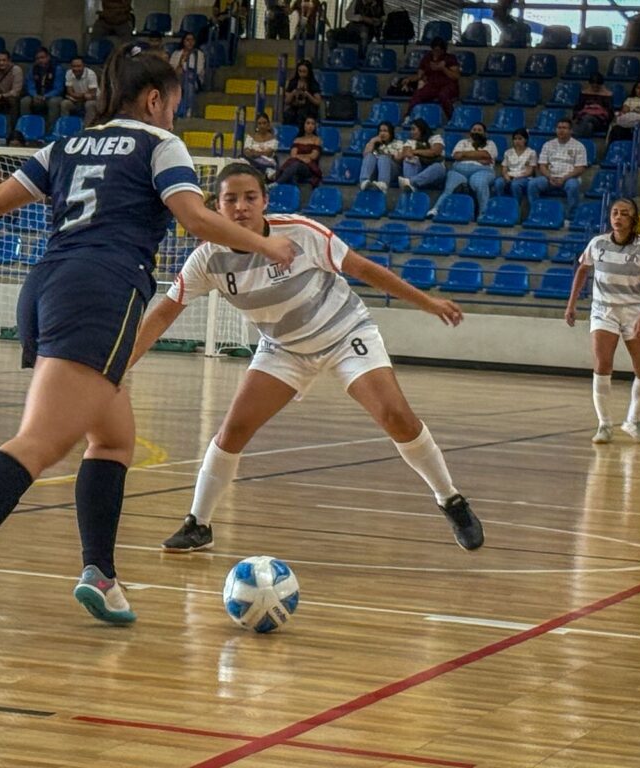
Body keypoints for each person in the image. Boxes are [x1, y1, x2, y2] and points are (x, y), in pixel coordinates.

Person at [0, 44, 296, 634]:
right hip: (102, 291)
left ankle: (101, 575)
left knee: (114, 439)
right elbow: (193, 218)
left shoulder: (64, 145)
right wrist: (266, 244)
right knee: (39, 441)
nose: (174, 114)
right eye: (173, 103)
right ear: (153, 99)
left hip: (48, 287)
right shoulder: (158, 144)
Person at [128, 162, 484, 554]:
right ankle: (198, 524)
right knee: (233, 431)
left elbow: (364, 269)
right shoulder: (207, 258)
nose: (242, 207)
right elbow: (164, 312)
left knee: (395, 416)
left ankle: (450, 498)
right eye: (231, 199)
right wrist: (121, 365)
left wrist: (427, 303)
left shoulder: (301, 232)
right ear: (217, 206)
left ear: (265, 201)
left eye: (250, 197)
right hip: (283, 348)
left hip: (345, 333)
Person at [565, 198, 640, 445]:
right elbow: (582, 270)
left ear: (633, 219)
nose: (618, 217)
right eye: (615, 213)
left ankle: (633, 420)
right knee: (603, 364)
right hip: (603, 311)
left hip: (634, 312)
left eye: (624, 214)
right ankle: (605, 424)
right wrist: (571, 304)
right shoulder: (598, 243)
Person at [430, 121, 496, 218]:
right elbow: (457, 156)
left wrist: (464, 154)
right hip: (459, 170)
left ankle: (483, 214)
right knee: (449, 188)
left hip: (481, 171)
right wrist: (477, 157)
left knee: (480, 184)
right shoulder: (462, 142)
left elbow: (485, 154)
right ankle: (435, 209)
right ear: (470, 132)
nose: (476, 132)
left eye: (479, 130)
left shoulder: (490, 143)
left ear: (485, 133)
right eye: (474, 130)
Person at [527, 119, 587, 217]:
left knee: (573, 186)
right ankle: (536, 212)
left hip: (569, 178)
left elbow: (580, 168)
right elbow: (542, 165)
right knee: (532, 184)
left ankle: (571, 216)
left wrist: (564, 178)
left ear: (571, 130)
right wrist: (549, 176)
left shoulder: (579, 146)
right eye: (559, 128)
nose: (561, 130)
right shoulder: (548, 145)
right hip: (550, 178)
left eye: (564, 128)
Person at [401, 38, 460, 121]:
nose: (436, 53)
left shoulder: (450, 58)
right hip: (432, 85)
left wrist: (443, 68)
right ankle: (408, 116)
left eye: (438, 50)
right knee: (418, 94)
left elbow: (455, 76)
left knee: (443, 95)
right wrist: (409, 79)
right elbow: (419, 75)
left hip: (448, 85)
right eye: (434, 50)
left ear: (443, 50)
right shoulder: (427, 58)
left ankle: (452, 119)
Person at [395, 118, 446, 192]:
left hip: (435, 175)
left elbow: (435, 152)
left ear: (421, 130)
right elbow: (407, 153)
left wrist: (415, 151)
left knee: (438, 167)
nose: (411, 132)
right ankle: (411, 187)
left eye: (413, 129)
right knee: (408, 160)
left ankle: (410, 182)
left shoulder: (435, 138)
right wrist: (422, 152)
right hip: (418, 170)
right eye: (411, 130)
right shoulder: (410, 142)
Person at [20, 47, 65, 127]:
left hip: (52, 96)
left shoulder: (57, 69)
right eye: (37, 58)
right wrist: (34, 95)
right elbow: (30, 85)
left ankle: (51, 129)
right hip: (37, 96)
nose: (40, 60)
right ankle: (26, 127)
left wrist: (45, 96)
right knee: (25, 101)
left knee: (53, 102)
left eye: (42, 57)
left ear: (48, 57)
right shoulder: (33, 69)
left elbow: (58, 88)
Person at [273, 116, 322, 187]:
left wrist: (299, 157)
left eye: (312, 124)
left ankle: (277, 184)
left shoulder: (317, 140)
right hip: (297, 165)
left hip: (310, 167)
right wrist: (303, 158)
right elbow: (293, 155)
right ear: (304, 125)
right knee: (293, 174)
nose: (310, 126)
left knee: (296, 165)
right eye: (308, 123)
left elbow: (313, 156)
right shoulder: (297, 140)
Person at [492, 128, 536, 206]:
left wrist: (517, 177)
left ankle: (516, 207)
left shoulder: (531, 152)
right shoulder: (508, 152)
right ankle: (500, 204)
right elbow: (504, 168)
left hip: (524, 178)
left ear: (525, 140)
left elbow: (530, 171)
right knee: (498, 182)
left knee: (515, 185)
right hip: (509, 176)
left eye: (520, 139)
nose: (517, 141)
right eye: (515, 139)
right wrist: (506, 176)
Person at [358, 121, 402, 193]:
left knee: (383, 158)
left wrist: (390, 156)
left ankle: (383, 183)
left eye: (385, 131)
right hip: (376, 170)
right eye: (380, 131)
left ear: (390, 133)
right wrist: (372, 142)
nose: (382, 133)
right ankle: (364, 181)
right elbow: (365, 156)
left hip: (392, 170)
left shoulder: (398, 143)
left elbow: (399, 160)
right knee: (369, 156)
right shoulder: (374, 143)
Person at [282, 60, 322, 130]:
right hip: (294, 107)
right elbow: (287, 101)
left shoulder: (313, 84)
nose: (302, 74)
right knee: (287, 114)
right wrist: (293, 93)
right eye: (300, 71)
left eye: (304, 71)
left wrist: (308, 95)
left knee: (302, 114)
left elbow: (318, 102)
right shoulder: (293, 82)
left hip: (309, 108)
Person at [572, 72, 613, 139]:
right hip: (584, 119)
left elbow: (610, 113)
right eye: (593, 86)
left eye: (597, 86)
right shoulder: (584, 94)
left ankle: (576, 139)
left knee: (587, 117)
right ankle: (584, 143)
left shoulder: (607, 95)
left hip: (600, 121)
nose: (595, 88)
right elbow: (577, 108)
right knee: (589, 126)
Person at [609, 79, 640, 144]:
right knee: (616, 130)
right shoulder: (630, 99)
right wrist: (633, 110)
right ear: (635, 89)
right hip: (628, 122)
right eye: (638, 88)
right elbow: (624, 110)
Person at [60, 57, 99, 124]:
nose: (76, 69)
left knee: (89, 104)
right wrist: (84, 95)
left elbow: (92, 94)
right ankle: (65, 126)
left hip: (92, 100)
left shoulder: (91, 74)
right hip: (77, 101)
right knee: (65, 103)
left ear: (84, 66)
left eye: (78, 66)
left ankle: (87, 129)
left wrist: (77, 96)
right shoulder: (69, 73)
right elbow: (69, 92)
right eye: (74, 66)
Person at [242, 112, 279, 181]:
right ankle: (264, 170)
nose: (262, 126)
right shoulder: (250, 137)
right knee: (242, 157)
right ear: (256, 125)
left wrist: (254, 152)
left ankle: (263, 170)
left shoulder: (273, 139)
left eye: (264, 123)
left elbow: (268, 154)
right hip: (252, 161)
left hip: (267, 162)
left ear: (268, 124)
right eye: (259, 123)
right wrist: (261, 152)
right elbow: (247, 152)